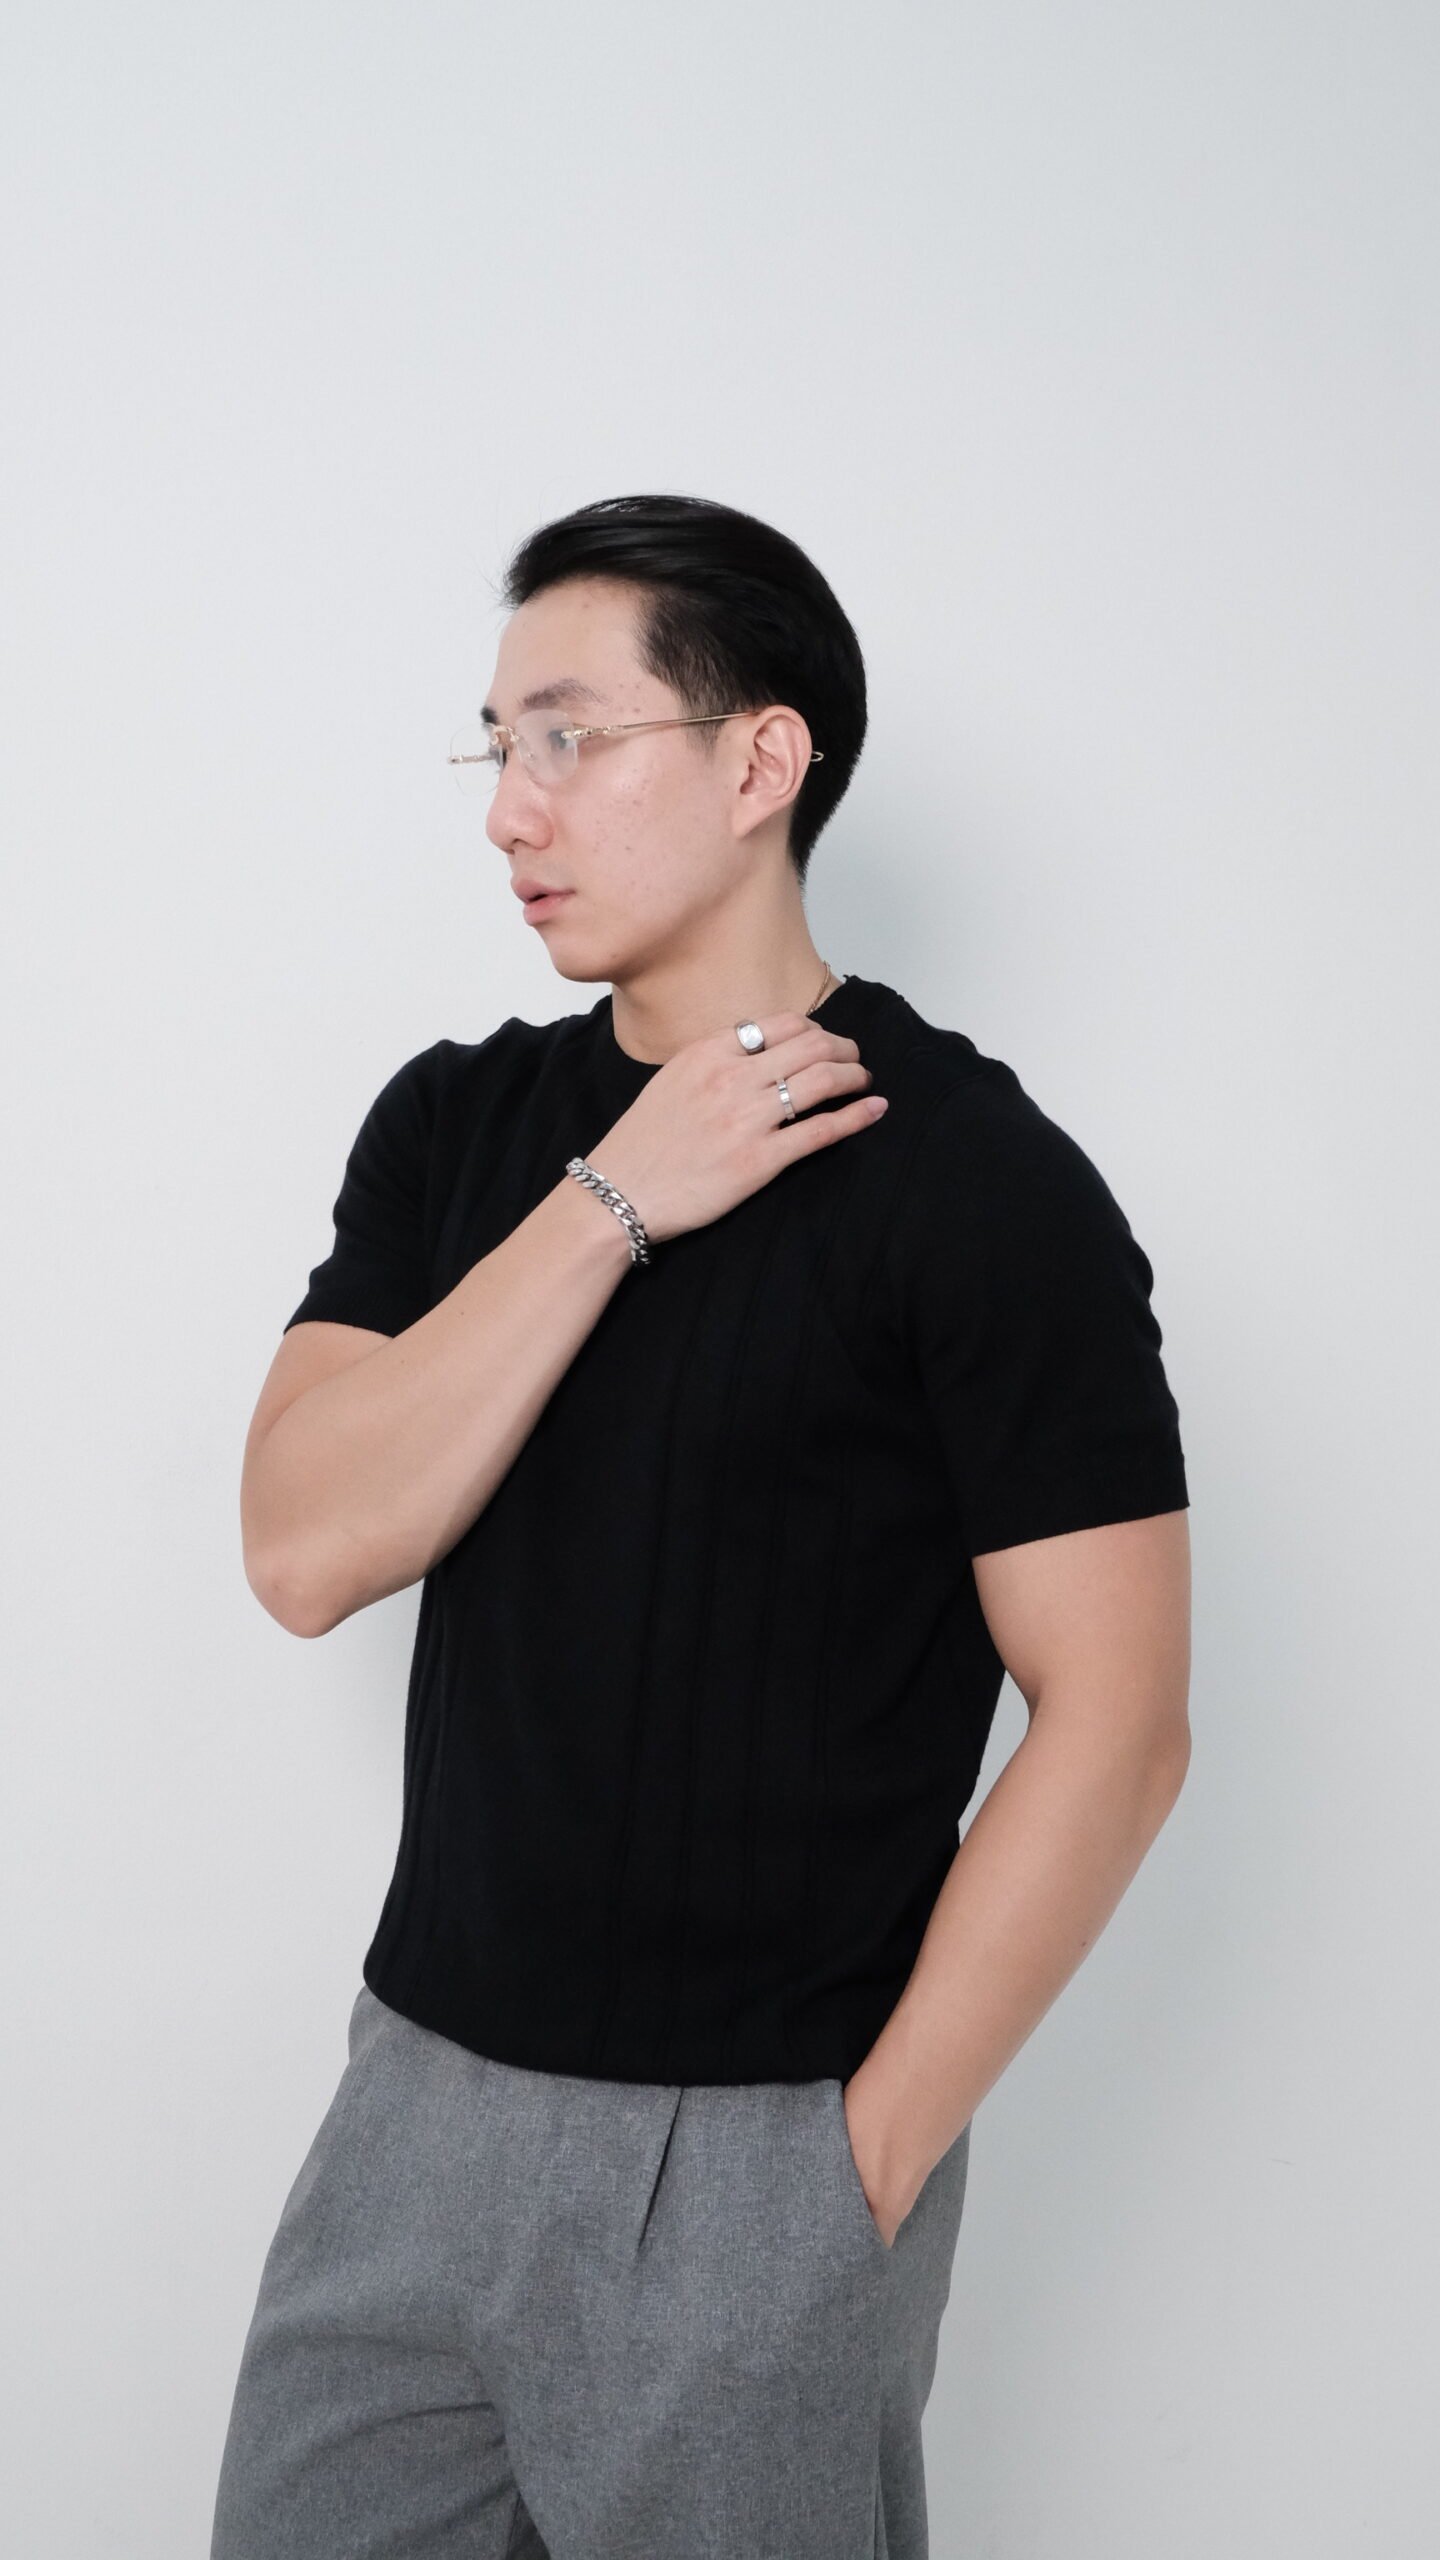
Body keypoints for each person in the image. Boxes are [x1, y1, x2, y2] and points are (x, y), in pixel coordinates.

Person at [210, 492, 1191, 2560]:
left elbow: (1118, 1719)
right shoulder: (457, 1125)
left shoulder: (979, 1183)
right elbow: (304, 1548)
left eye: (571, 736)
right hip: (410, 2111)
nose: (513, 809)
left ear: (761, 762)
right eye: (499, 746)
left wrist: (860, 2167)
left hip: (758, 2161)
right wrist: (614, 1200)